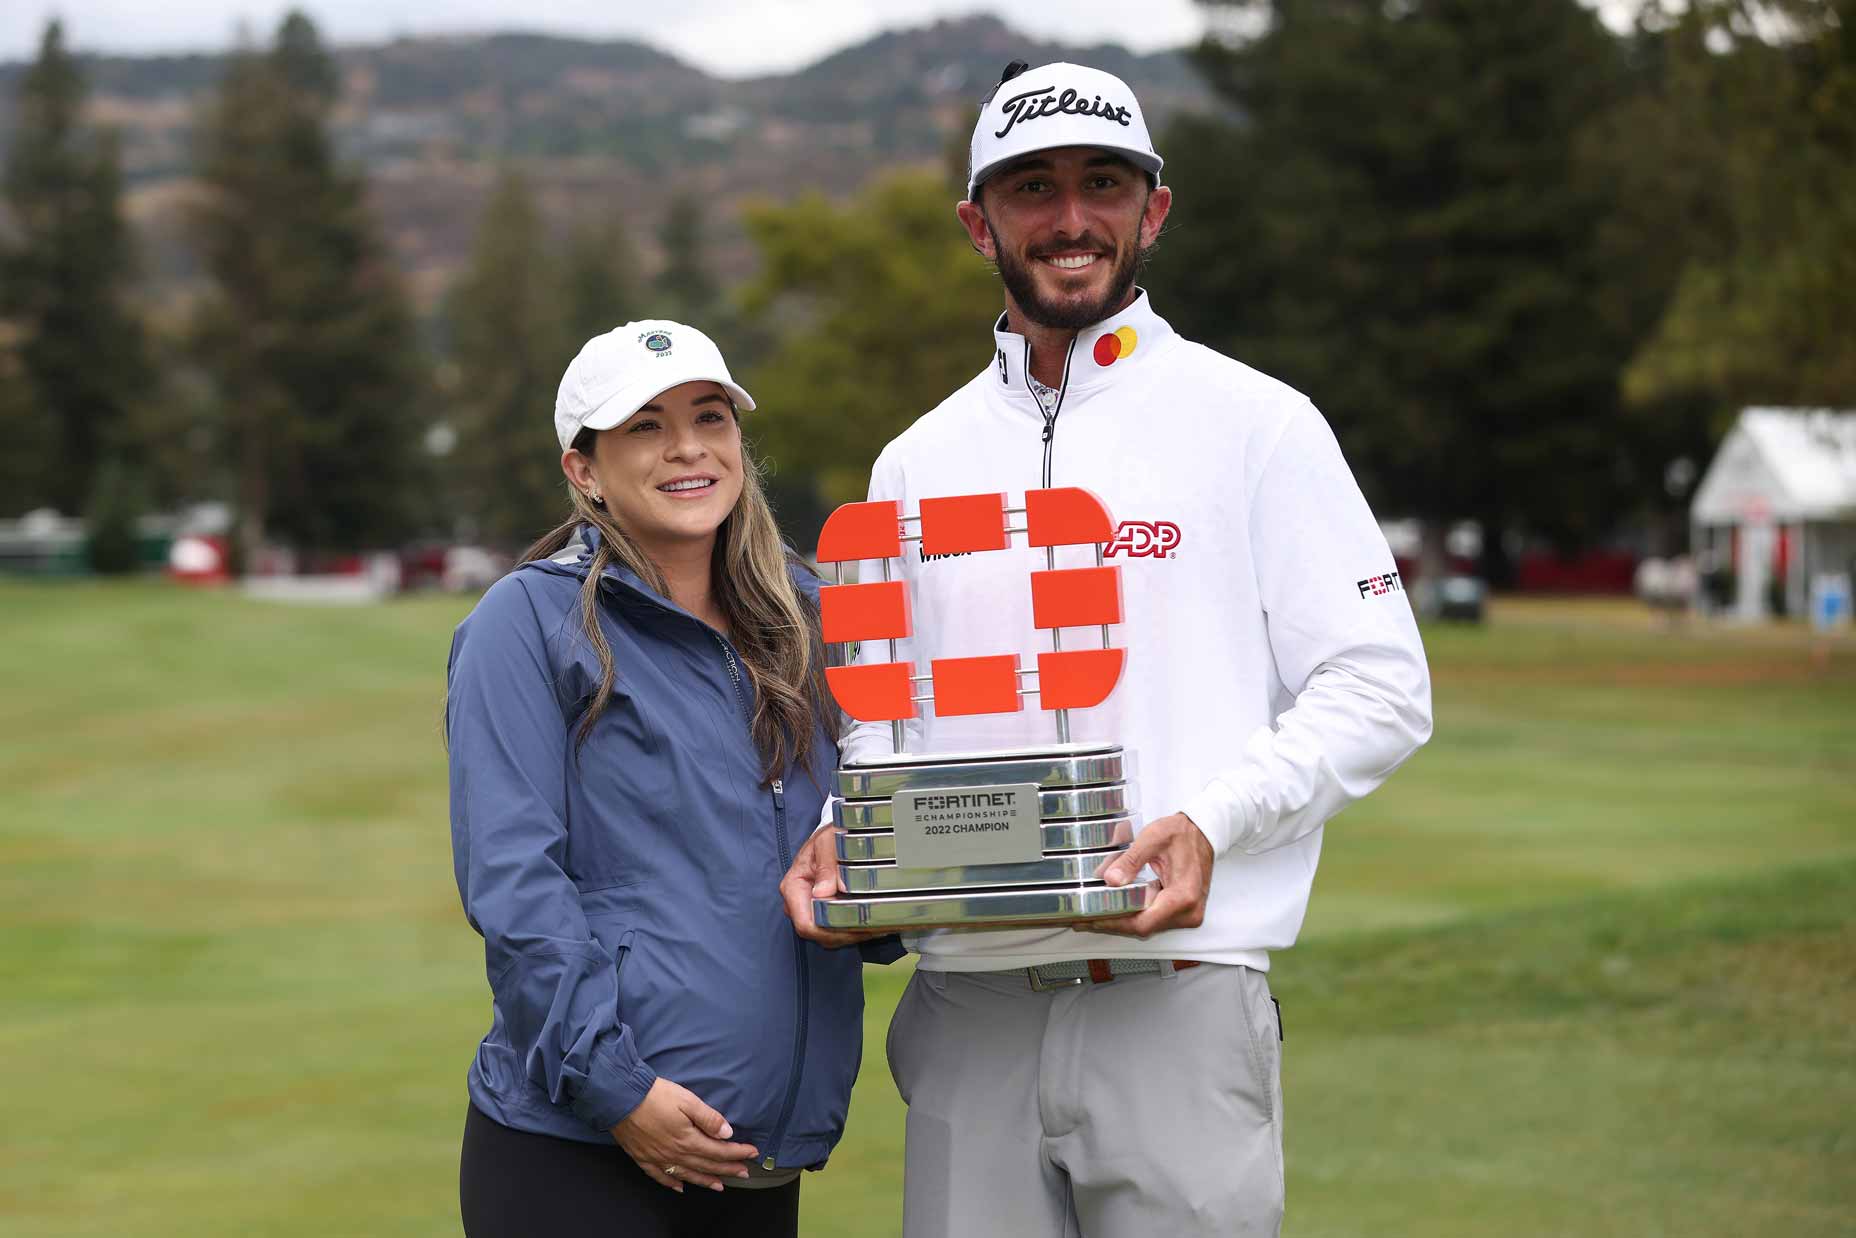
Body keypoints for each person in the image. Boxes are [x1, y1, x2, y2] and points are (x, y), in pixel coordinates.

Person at [781, 62, 1434, 1237]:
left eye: (1103, 183)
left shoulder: (1257, 423)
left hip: (1179, 998)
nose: (1070, 217)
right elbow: (881, 715)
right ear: (978, 222)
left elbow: (1379, 685)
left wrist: (1211, 822)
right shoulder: (911, 461)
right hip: (968, 1010)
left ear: (1153, 209)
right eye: (1032, 188)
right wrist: (853, 827)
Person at [447, 321, 879, 1238]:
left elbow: (861, 821)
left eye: (709, 417)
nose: (688, 448)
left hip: (757, 1163)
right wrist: (618, 1089)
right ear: (584, 471)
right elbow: (515, 885)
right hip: (580, 1155)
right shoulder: (525, 623)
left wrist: (881, 897)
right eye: (645, 426)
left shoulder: (807, 618)